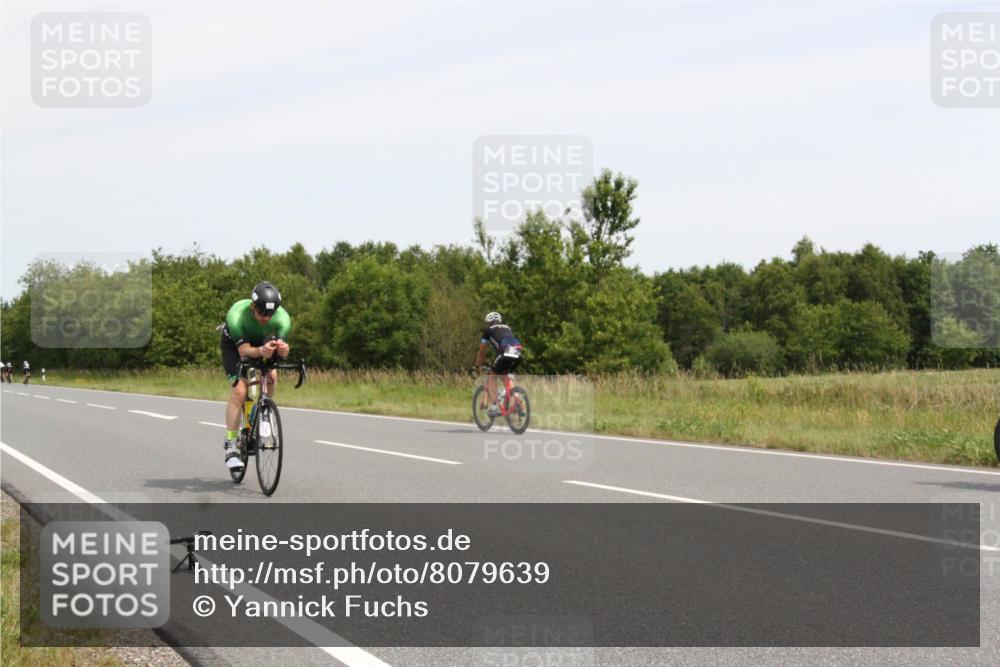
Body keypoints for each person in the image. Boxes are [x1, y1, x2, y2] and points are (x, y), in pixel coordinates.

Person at [219, 282, 292, 471]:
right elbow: (244, 351)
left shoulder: (283, 319)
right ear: (253, 307)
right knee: (239, 391)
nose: (266, 318)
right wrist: (260, 350)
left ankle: (263, 411)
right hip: (235, 345)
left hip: (262, 342)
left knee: (272, 378)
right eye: (262, 313)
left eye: (270, 314)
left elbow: (281, 352)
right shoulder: (236, 314)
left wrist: (283, 351)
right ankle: (231, 446)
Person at [474, 312, 523, 416]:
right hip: (518, 352)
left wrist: (477, 365)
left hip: (505, 352)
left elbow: (482, 351)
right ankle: (517, 399)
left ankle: (495, 406)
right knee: (506, 376)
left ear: (488, 322)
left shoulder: (488, 330)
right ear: (499, 320)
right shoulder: (507, 327)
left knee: (492, 377)